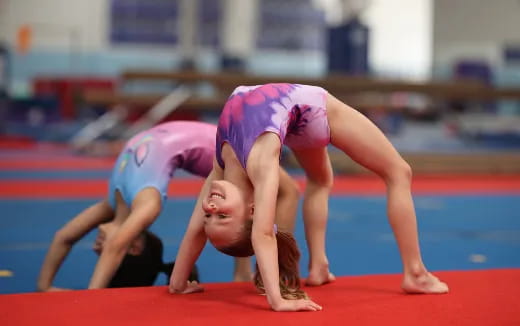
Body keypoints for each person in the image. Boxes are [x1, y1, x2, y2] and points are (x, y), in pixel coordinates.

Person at [168, 84, 449, 312]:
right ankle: (416, 273)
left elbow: (195, 231)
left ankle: (318, 268)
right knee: (399, 172)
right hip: (313, 111)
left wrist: (178, 284)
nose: (212, 207)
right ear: (251, 209)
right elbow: (263, 234)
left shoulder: (220, 169)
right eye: (223, 215)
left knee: (320, 180)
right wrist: (276, 300)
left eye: (211, 215)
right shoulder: (261, 163)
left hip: (293, 122)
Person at [37, 120, 299, 291]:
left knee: (281, 193)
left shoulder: (114, 204)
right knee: (282, 192)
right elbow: (115, 246)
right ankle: (265, 273)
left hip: (222, 142)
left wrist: (45, 287)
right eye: (100, 251)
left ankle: (262, 272)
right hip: (227, 146)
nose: (97, 247)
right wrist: (92, 296)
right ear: (135, 245)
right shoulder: (147, 203)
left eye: (99, 251)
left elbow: (64, 237)